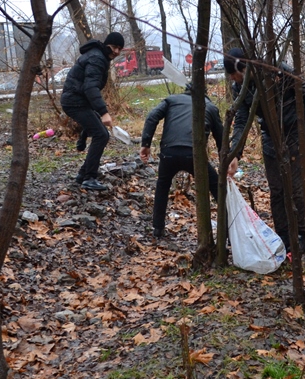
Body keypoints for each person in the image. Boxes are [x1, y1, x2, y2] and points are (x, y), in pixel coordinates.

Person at [224, 48, 305, 262]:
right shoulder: (239, 87)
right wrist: (235, 153)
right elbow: (242, 119)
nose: (231, 78)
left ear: (243, 68)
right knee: (277, 190)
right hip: (269, 136)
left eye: (233, 73)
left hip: (293, 132)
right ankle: (283, 239)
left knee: (296, 189)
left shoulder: (275, 70)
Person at [139, 84, 223, 237]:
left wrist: (145, 144)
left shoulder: (172, 100)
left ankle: (157, 228)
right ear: (205, 94)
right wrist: (226, 161)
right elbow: (220, 137)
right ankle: (228, 229)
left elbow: (152, 117)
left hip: (169, 152)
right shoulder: (210, 107)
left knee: (162, 185)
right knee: (216, 186)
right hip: (194, 155)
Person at [61, 32, 124, 191]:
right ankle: (89, 178)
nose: (116, 52)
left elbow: (88, 87)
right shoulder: (97, 58)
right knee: (101, 135)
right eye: (114, 47)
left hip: (78, 100)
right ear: (107, 44)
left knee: (100, 131)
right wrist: (104, 112)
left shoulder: (99, 56)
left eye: (120, 49)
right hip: (74, 102)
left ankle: (83, 175)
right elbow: (90, 88)